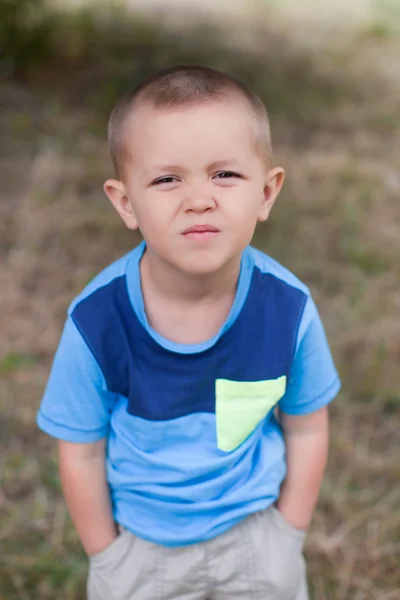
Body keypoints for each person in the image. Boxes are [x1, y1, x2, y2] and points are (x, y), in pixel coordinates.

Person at [37, 65, 341, 600]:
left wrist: (286, 532)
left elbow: (307, 427)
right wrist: (108, 555)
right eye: (166, 178)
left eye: (225, 174)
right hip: (140, 548)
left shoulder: (288, 308)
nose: (199, 198)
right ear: (126, 202)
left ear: (267, 193)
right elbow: (80, 449)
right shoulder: (97, 320)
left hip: (254, 536)